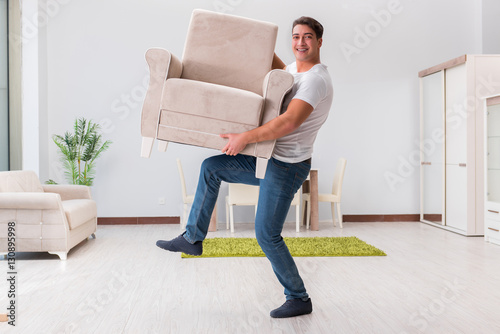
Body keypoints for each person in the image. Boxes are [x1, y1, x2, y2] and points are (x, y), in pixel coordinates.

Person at [156, 16, 333, 318]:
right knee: (212, 167)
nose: (300, 43)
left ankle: (299, 297)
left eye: (307, 37)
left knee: (266, 234)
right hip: (268, 157)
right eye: (295, 37)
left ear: (318, 41)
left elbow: (288, 122)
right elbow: (269, 64)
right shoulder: (293, 71)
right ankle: (193, 238)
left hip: (287, 166)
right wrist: (249, 37)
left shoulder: (315, 80)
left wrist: (244, 139)